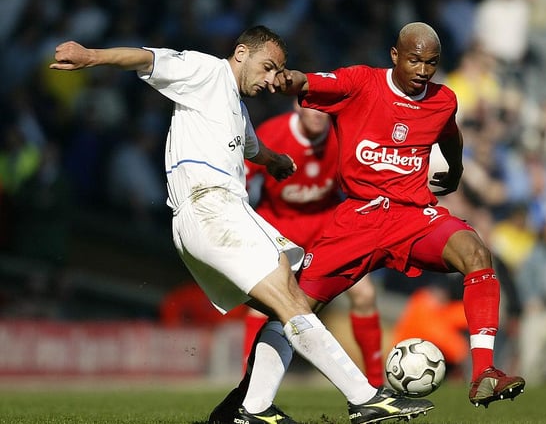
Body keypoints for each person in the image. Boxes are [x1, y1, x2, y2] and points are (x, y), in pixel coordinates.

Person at [49, 25, 434, 424]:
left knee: (292, 299)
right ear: (240, 53)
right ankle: (364, 398)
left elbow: (250, 147)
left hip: (219, 213)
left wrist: (275, 161)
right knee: (290, 299)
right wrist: (91, 56)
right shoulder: (205, 71)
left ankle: (252, 409)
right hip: (210, 207)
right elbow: (148, 58)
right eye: (267, 68)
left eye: (276, 72)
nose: (271, 81)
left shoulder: (237, 106)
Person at [216, 22, 526, 419]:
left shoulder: (443, 100)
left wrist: (456, 168)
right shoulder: (360, 82)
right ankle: (247, 398)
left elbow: (450, 134)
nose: (422, 70)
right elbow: (308, 83)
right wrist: (286, 78)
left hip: (413, 215)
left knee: (476, 251)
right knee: (291, 308)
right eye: (414, 60)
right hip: (358, 218)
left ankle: (484, 371)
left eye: (431, 63)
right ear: (395, 56)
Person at [244, 100, 384, 387]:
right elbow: (243, 176)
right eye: (313, 107)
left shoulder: (343, 134)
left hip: (328, 225)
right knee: (261, 306)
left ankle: (376, 382)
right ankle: (247, 386)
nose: (319, 115)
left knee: (365, 295)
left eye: (325, 108)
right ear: (297, 105)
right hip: (279, 226)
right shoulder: (272, 132)